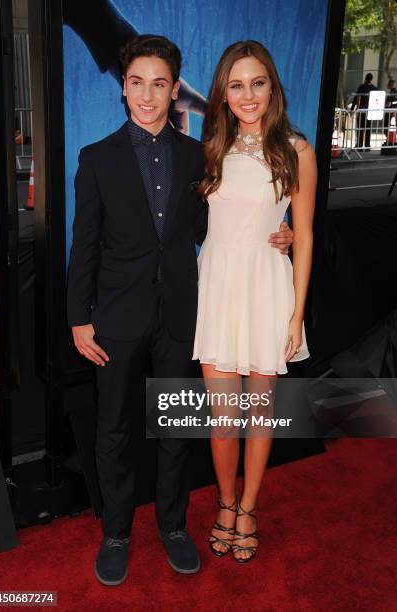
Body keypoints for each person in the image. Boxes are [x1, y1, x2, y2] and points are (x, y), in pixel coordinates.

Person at [66, 34, 294, 585]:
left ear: (175, 92)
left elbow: (210, 229)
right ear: (123, 88)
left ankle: (173, 526)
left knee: (176, 429)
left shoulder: (200, 156)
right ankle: (117, 533)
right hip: (116, 321)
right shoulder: (95, 159)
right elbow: (84, 244)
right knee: (114, 429)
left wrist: (278, 233)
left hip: (183, 317)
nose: (148, 95)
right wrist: (79, 317)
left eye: (160, 84)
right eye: (137, 83)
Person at [193, 40, 317, 563]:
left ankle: (248, 507)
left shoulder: (297, 150)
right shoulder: (208, 147)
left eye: (257, 83)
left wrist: (297, 313)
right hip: (218, 287)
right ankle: (223, 502)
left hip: (268, 287)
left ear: (272, 87)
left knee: (258, 415)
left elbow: (305, 235)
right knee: (224, 419)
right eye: (237, 84)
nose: (248, 94)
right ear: (223, 92)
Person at [352, 73, 377, 150]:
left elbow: (357, 98)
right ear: (371, 79)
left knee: (360, 127)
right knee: (368, 128)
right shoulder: (374, 88)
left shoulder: (361, 87)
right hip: (370, 111)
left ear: (365, 78)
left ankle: (359, 145)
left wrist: (353, 108)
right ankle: (367, 146)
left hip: (362, 110)